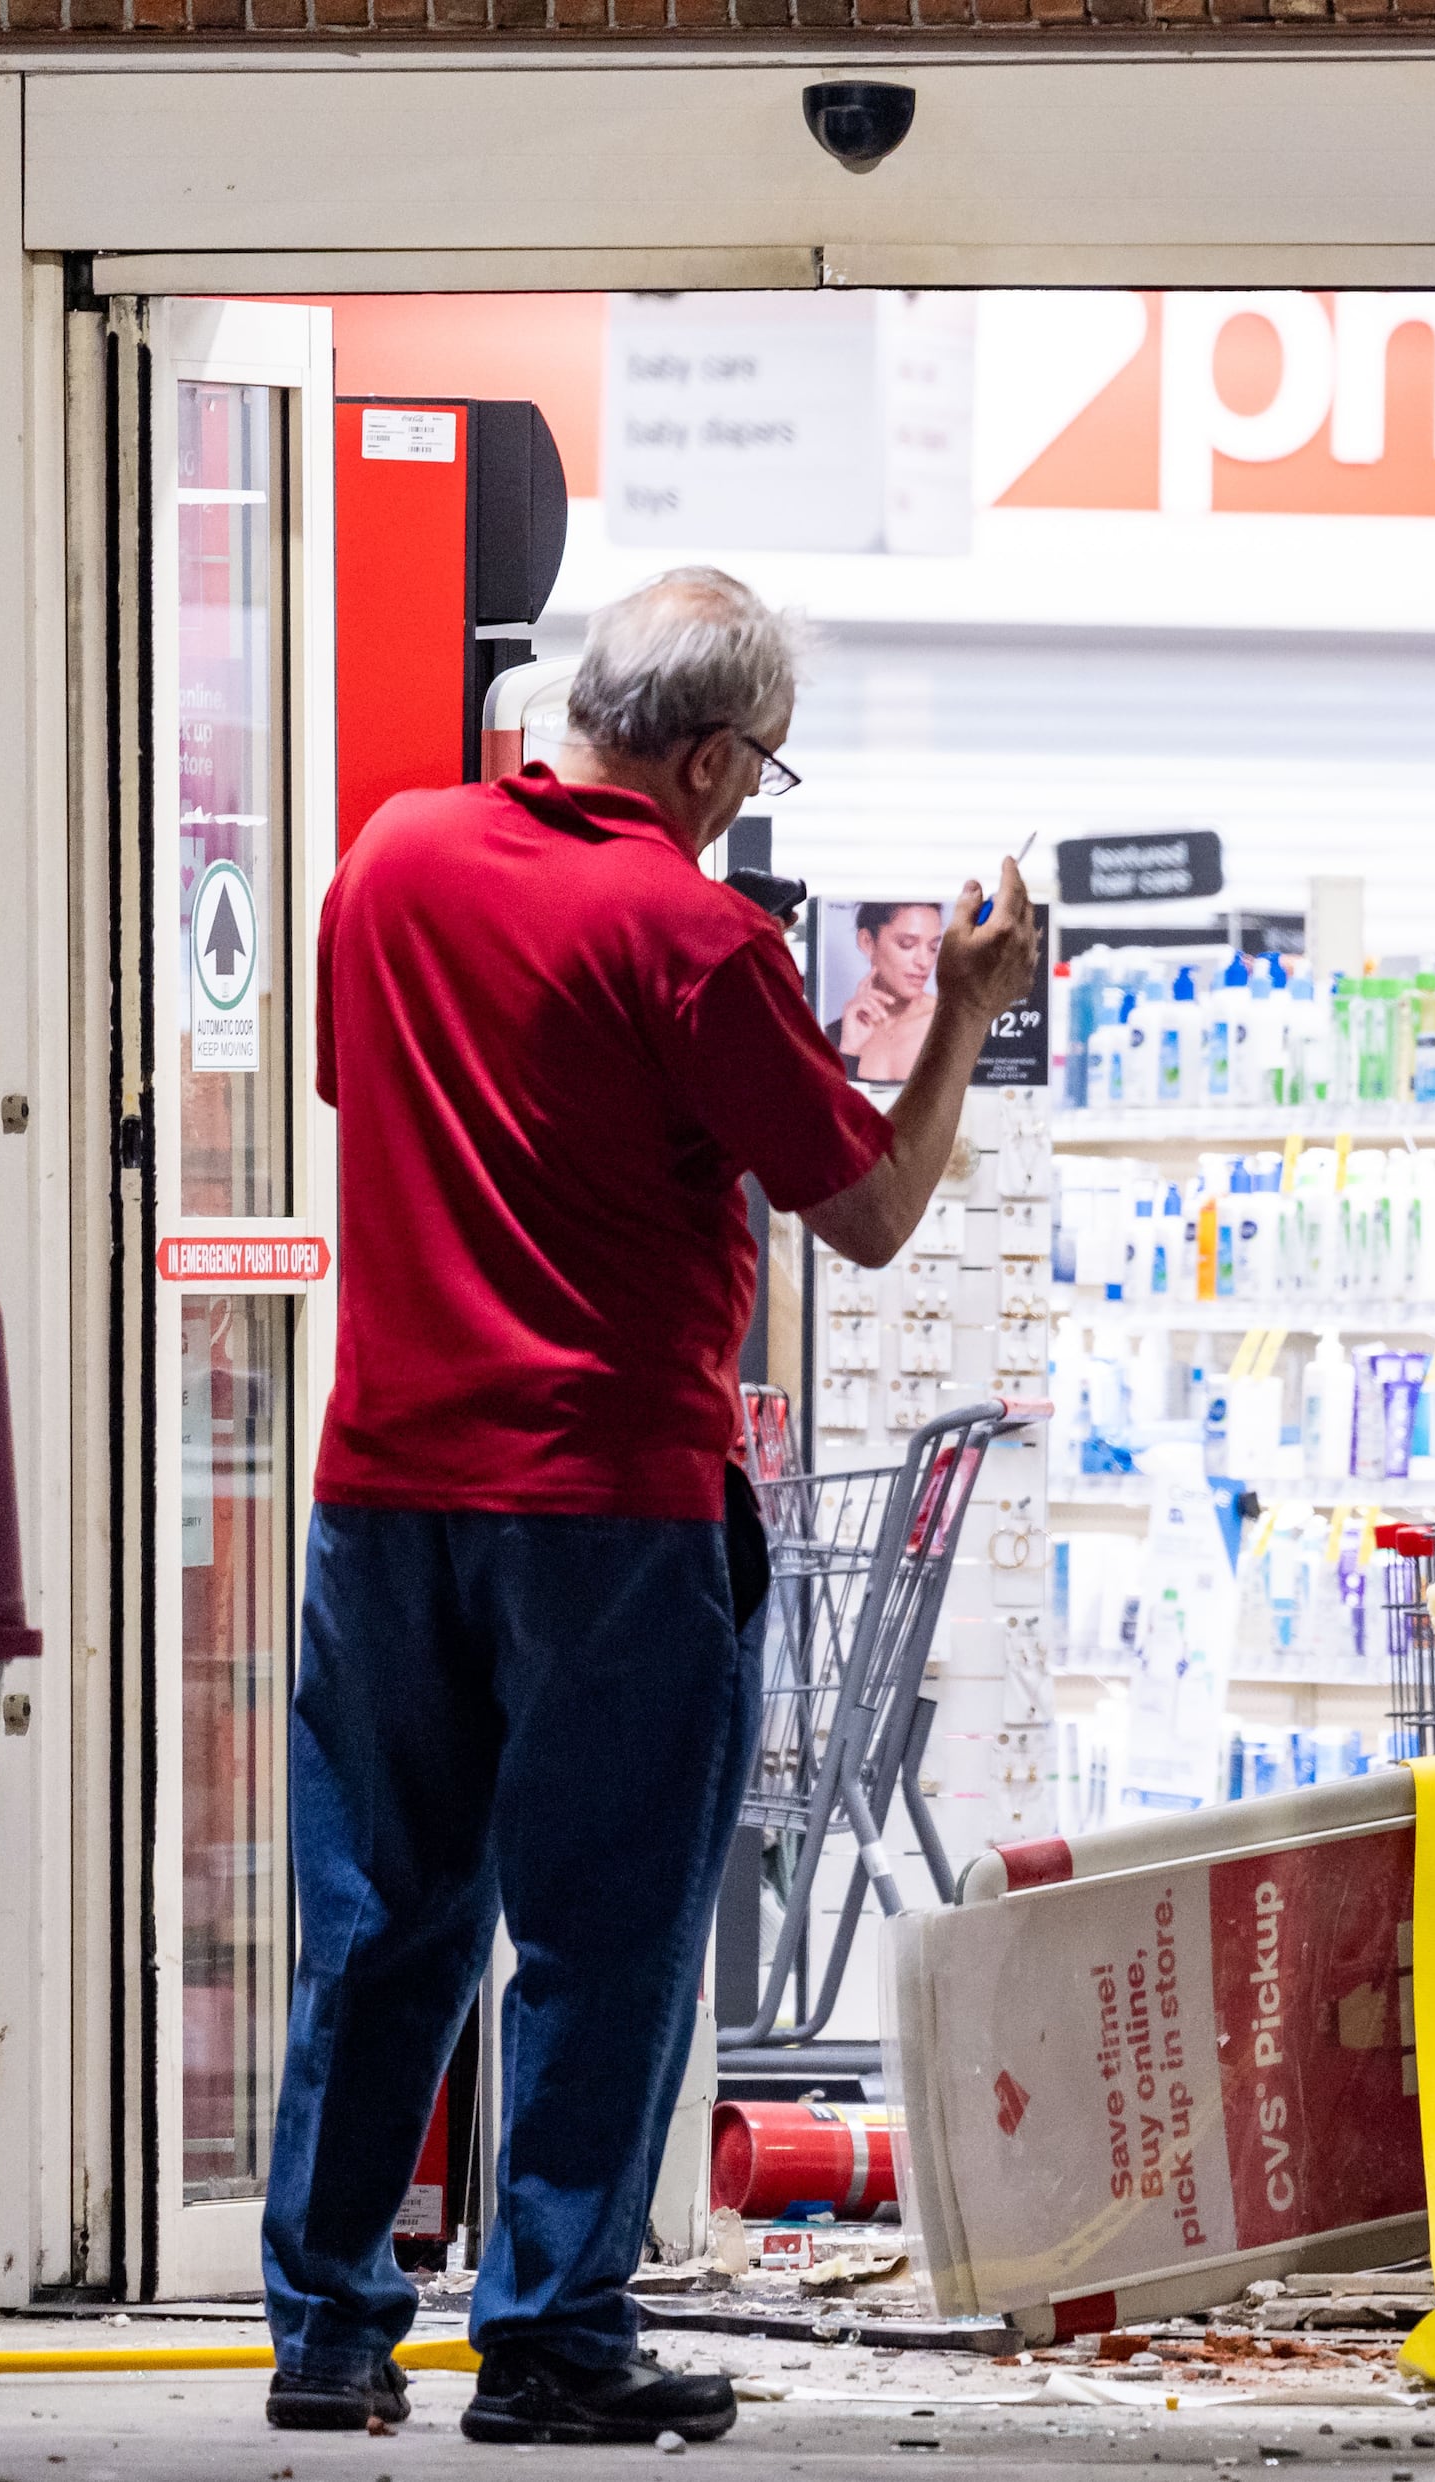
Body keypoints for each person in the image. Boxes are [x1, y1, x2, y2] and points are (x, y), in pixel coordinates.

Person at [260, 567, 1037, 2446]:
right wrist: (963, 1016)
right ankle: (545, 2338)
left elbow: (344, 1085)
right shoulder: (692, 942)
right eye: (758, 768)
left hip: (384, 1491)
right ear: (698, 755)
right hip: (609, 1509)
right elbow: (863, 1205)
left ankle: (331, 2334)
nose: (749, 798)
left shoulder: (390, 861)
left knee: (381, 1917)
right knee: (605, 1930)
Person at [824, 899, 942, 1081]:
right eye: (907, 944)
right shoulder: (836, 1033)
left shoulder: (949, 1026)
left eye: (933, 948)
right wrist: (848, 1050)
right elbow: (826, 1106)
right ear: (867, 942)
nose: (924, 962)